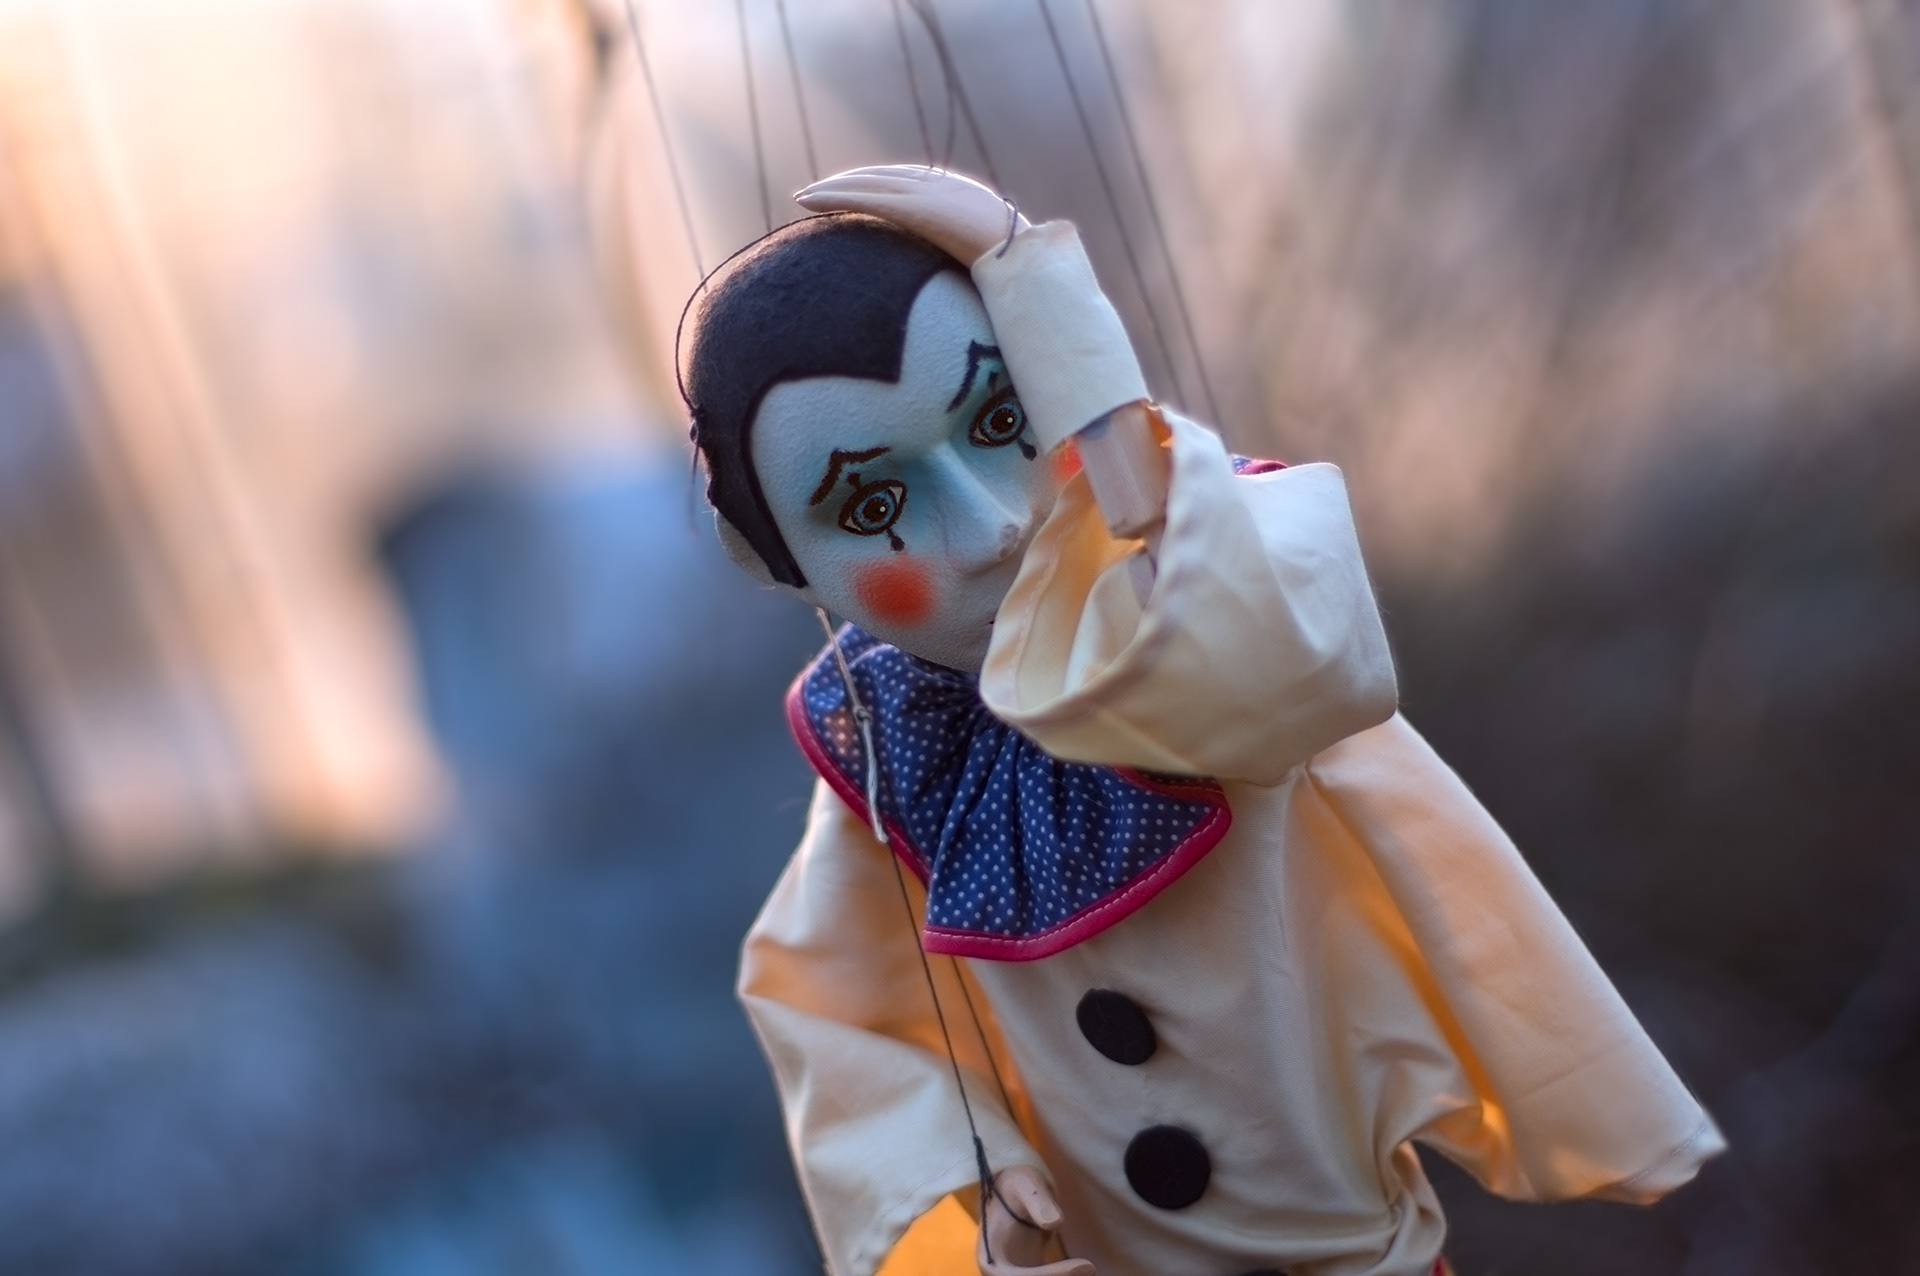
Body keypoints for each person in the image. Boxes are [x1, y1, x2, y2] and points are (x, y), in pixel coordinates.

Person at [676, 166, 1723, 1276]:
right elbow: (830, 1012)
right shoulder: (895, 747)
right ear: (773, 563)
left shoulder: (1196, 596)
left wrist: (1067, 330)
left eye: (1005, 418)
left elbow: (1281, 669)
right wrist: (963, 1176)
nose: (990, 528)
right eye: (876, 505)